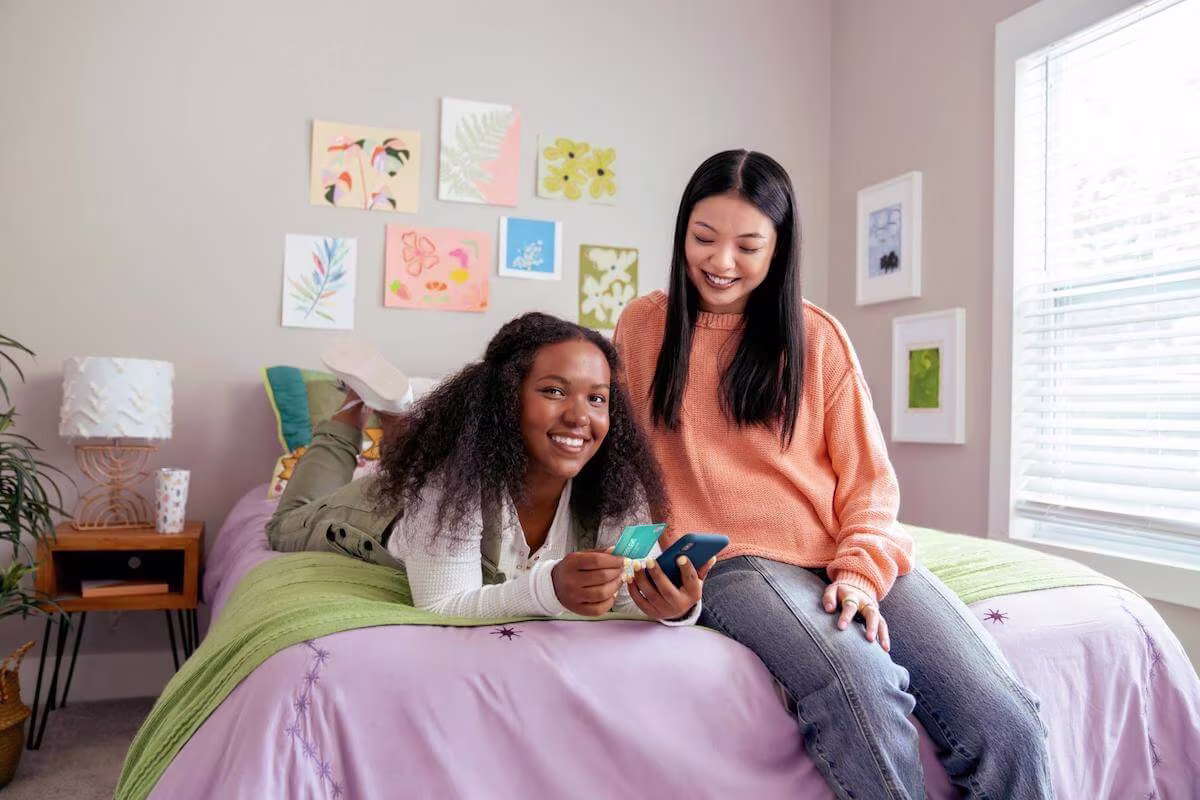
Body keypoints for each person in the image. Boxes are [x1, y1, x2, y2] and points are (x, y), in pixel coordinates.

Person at [613, 150, 1052, 798]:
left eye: (748, 244)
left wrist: (859, 575)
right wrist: (640, 567)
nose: (721, 261)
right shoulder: (643, 327)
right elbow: (623, 470)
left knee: (1005, 717)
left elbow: (870, 484)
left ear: (779, 249)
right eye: (703, 237)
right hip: (734, 561)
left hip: (843, 547)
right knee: (860, 682)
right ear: (682, 233)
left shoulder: (817, 336)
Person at [266, 313, 706, 623]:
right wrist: (548, 588)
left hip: (426, 505)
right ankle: (352, 407)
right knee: (286, 522)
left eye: (596, 398)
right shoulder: (450, 478)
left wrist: (672, 606)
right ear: (506, 398)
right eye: (554, 391)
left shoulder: (615, 482)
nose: (579, 417)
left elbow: (629, 594)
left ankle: (394, 410)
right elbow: (441, 604)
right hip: (377, 518)